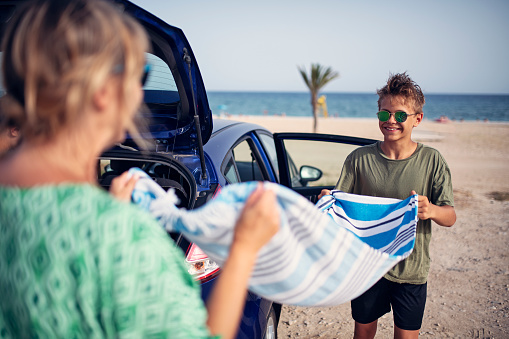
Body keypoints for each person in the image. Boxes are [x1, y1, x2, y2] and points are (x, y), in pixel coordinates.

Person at [0, 1, 279, 338]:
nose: (140, 94)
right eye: (140, 76)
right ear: (103, 92)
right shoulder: (123, 238)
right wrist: (244, 249)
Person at [319, 72, 456, 339]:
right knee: (363, 332)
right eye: (385, 114)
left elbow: (450, 216)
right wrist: (328, 201)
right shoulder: (359, 160)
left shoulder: (432, 161)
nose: (391, 121)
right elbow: (341, 207)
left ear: (418, 119)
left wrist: (432, 210)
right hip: (366, 268)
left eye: (400, 115)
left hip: (411, 271)